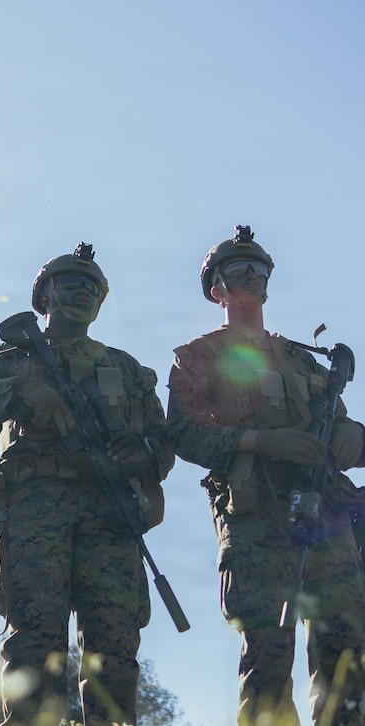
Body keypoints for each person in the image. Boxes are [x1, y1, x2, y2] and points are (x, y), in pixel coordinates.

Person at [0, 243, 174, 725]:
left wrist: (147, 454)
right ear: (44, 297)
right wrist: (20, 389)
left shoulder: (126, 367)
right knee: (34, 644)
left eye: (92, 289)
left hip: (111, 513)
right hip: (33, 512)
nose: (83, 294)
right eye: (71, 285)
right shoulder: (8, 359)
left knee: (114, 652)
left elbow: (162, 440)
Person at [166, 225, 365, 725]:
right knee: (268, 650)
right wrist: (261, 441)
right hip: (255, 511)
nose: (252, 277)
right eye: (239, 271)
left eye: (260, 269)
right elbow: (182, 435)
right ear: (218, 289)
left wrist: (352, 436)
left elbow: (339, 427)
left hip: (327, 511)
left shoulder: (303, 359)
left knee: (347, 648)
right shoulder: (199, 357)